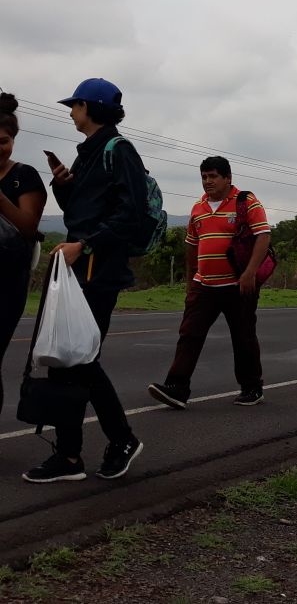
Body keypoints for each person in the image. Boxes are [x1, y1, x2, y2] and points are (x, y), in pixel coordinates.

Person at [25, 78, 145, 484]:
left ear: (90, 107)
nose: (70, 112)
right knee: (64, 360)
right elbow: (82, 210)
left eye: (74, 105)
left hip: (99, 271)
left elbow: (131, 214)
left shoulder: (119, 150)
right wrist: (63, 185)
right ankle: (69, 457)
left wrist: (85, 245)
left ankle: (122, 439)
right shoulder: (87, 154)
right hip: (79, 269)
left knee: (81, 358)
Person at [148, 157, 272, 410]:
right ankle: (177, 388)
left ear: (227, 178)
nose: (208, 182)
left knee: (243, 336)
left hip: (238, 285)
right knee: (189, 335)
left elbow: (263, 236)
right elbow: (191, 246)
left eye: (213, 176)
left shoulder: (246, 202)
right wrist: (191, 280)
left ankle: (252, 388)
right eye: (204, 177)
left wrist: (249, 273)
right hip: (203, 285)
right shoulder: (197, 208)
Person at [0, 92, 46, 419]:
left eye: (3, 141)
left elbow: (29, 227)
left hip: (6, 283)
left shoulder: (25, 176)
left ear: (13, 140)